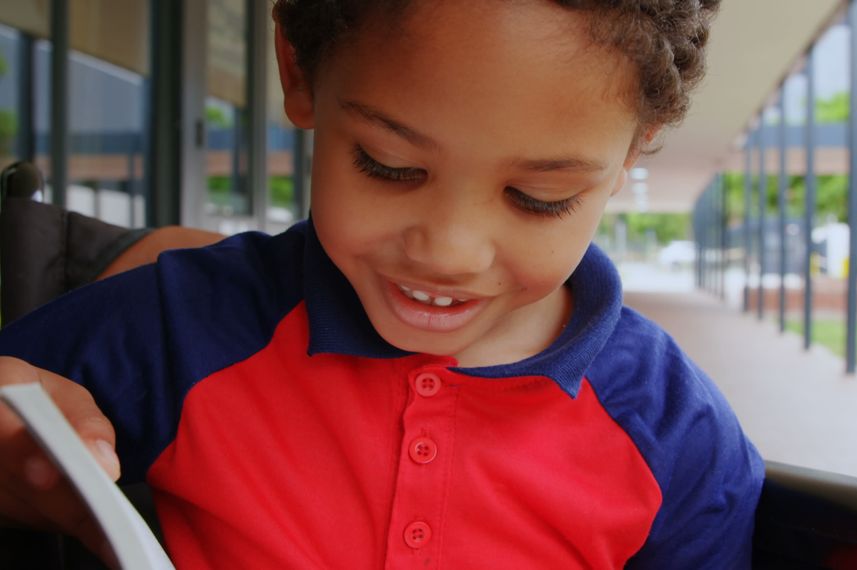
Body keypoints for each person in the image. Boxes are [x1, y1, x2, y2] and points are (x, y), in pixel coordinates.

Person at [0, 0, 764, 567]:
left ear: (638, 146)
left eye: (539, 198)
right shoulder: (180, 326)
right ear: (299, 72)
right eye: (390, 167)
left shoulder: (677, 439)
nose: (450, 252)